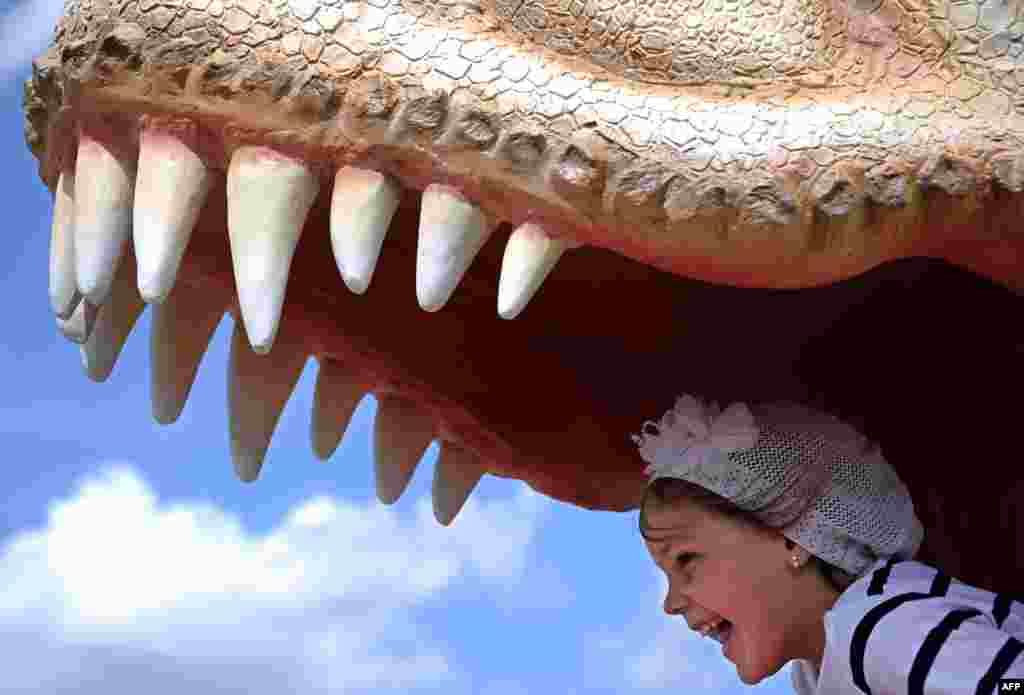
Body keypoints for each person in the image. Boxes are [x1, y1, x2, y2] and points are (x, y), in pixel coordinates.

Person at [631, 394, 1023, 693]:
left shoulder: (880, 631)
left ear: (791, 538)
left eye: (686, 560)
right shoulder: (822, 670)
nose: (671, 603)